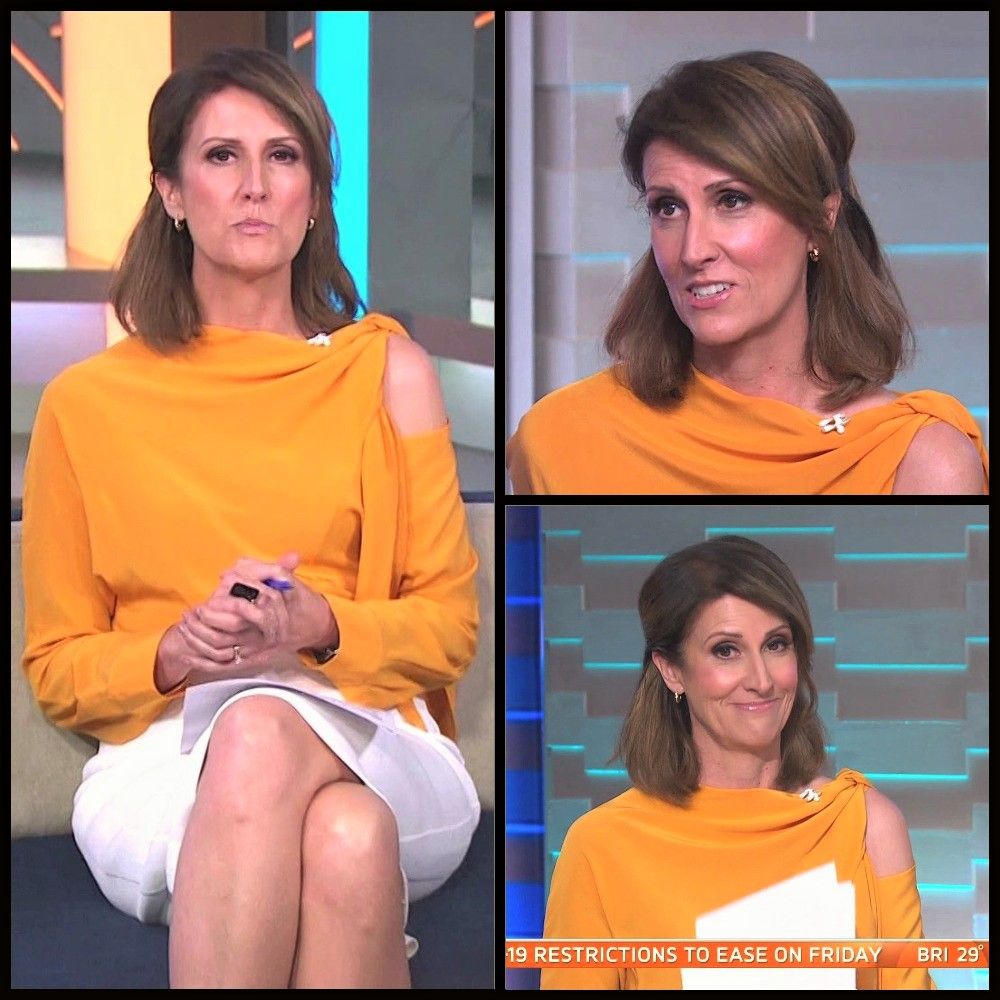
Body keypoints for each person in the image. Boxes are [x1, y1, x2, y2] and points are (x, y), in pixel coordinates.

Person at [20, 47, 482, 989]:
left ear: (313, 196)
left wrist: (319, 625)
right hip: (162, 761)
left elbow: (447, 631)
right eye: (222, 156)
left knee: (269, 725)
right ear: (171, 192)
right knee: (343, 838)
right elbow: (59, 667)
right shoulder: (85, 404)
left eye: (283, 157)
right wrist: (175, 652)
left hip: (377, 735)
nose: (256, 186)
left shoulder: (386, 374)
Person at [507, 50, 988, 495]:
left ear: (820, 220)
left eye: (732, 200)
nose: (693, 250)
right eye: (668, 207)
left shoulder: (922, 459)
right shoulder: (560, 438)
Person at [541, 536, 935, 990]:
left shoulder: (864, 822)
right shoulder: (600, 847)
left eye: (776, 644)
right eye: (726, 650)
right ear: (671, 670)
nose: (762, 680)